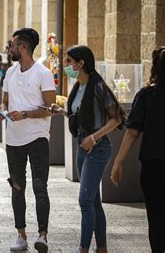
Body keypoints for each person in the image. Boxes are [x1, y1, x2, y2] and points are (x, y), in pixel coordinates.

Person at [49, 45, 123, 253]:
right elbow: (80, 117)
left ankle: (83, 249)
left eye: (69, 61)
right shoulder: (78, 87)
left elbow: (115, 119)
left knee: (84, 200)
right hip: (82, 146)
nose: (66, 66)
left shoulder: (98, 86)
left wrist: (93, 137)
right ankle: (101, 248)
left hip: (97, 148)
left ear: (81, 63)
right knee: (93, 201)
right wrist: (61, 112)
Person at [0, 28, 56, 252]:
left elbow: (50, 109)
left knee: (40, 187)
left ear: (22, 48)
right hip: (14, 140)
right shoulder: (10, 73)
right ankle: (21, 235)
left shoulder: (43, 73)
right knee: (17, 187)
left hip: (38, 137)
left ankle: (43, 236)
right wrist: (1, 112)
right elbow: (5, 102)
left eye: (11, 46)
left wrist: (26, 114)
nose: (9, 49)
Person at [110, 46, 165, 253]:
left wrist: (118, 162)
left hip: (153, 165)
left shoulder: (146, 95)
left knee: (156, 216)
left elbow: (132, 132)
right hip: (153, 164)